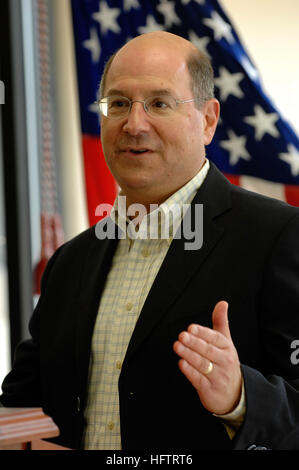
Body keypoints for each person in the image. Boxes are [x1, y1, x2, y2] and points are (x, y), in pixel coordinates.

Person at [1, 31, 299, 451]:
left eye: (160, 103)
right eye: (119, 104)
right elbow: (23, 402)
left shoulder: (280, 237)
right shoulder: (72, 260)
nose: (134, 124)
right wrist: (20, 441)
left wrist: (240, 399)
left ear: (209, 121)